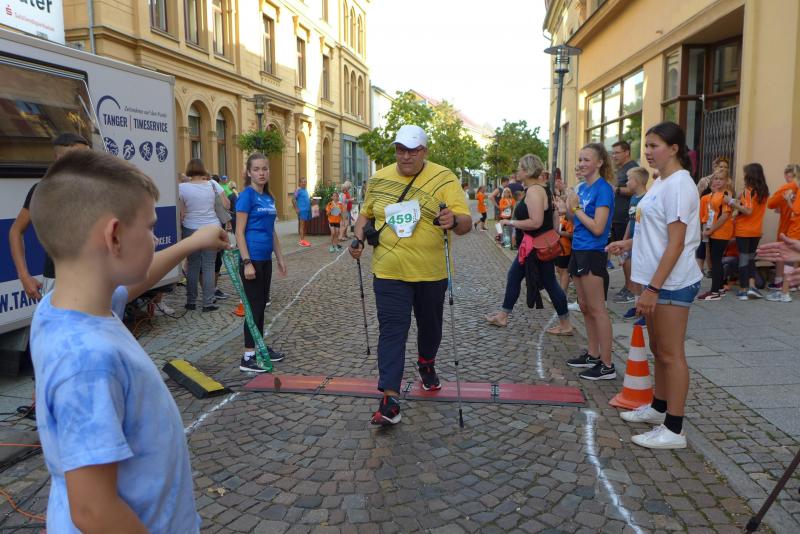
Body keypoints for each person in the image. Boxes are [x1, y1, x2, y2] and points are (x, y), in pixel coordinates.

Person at [28, 149, 230, 532]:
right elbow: (93, 510)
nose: (154, 237)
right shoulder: (88, 360)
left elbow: (132, 284)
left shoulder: (63, 306)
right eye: (151, 227)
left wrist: (191, 244)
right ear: (115, 236)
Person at [349, 124, 470, 426]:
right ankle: (390, 399)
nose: (405, 156)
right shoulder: (378, 179)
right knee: (392, 330)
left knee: (430, 328)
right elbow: (366, 214)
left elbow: (466, 223)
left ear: (424, 151)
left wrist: (453, 219)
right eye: (401, 150)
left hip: (431, 272)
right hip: (389, 271)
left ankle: (426, 362)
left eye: (412, 151)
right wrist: (358, 239)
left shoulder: (444, 178)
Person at [607, 121, 702, 449]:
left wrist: (653, 289)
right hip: (657, 282)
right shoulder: (662, 181)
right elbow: (657, 232)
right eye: (646, 145)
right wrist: (628, 244)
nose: (647, 152)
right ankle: (659, 408)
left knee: (672, 354)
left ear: (674, 149)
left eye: (654, 146)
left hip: (672, 283)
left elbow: (676, 243)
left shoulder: (679, 184)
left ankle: (674, 429)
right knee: (659, 350)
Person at [485, 154, 573, 335]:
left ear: (527, 171)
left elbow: (536, 222)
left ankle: (565, 324)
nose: (517, 171)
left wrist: (510, 222)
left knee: (548, 283)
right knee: (518, 276)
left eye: (520, 167)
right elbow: (553, 219)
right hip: (536, 244)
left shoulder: (534, 191)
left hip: (536, 247)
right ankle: (503, 315)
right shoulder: (543, 189)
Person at [9, 133, 90, 301]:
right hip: (58, 282)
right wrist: (24, 276)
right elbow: (16, 231)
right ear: (59, 159)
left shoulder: (97, 189)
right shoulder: (43, 191)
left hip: (95, 277)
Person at [564, 143, 617, 381]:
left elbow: (597, 227)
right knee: (585, 306)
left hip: (593, 252)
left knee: (597, 309)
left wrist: (575, 208)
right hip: (578, 249)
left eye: (587, 160)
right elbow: (576, 218)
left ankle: (607, 365)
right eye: (580, 159)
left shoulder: (603, 189)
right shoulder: (583, 187)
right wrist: (567, 207)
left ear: (599, 162)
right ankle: (593, 354)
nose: (581, 164)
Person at [235, 153, 287, 371]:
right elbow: (239, 232)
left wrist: (280, 258)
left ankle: (259, 346)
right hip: (252, 259)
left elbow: (271, 231)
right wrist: (247, 261)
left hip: (266, 259)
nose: (261, 173)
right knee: (253, 307)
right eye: (256, 169)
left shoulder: (268, 197)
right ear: (249, 173)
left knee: (261, 305)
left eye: (264, 168)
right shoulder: (246, 196)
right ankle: (248, 357)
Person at [179, 159, 230, 312]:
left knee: (193, 265)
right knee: (209, 265)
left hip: (190, 228)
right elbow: (227, 204)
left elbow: (181, 212)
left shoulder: (181, 187)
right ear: (203, 169)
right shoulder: (213, 184)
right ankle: (208, 302)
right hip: (211, 228)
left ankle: (191, 301)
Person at [728, 163, 769, 300]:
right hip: (756, 231)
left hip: (744, 230)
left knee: (744, 259)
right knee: (751, 259)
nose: (744, 176)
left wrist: (731, 202)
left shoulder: (748, 191)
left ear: (750, 175)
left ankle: (743, 289)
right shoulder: (763, 192)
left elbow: (748, 211)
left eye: (745, 173)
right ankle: (752, 287)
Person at [619, 167, 650, 325]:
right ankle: (638, 306)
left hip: (641, 243)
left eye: (629, 179)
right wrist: (624, 240)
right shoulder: (633, 198)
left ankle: (646, 312)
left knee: (643, 277)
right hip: (631, 242)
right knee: (635, 276)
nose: (626, 182)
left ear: (637, 181)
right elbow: (630, 221)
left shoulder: (647, 199)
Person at [765, 164, 800, 301]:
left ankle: (784, 292)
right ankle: (789, 287)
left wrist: (787, 200)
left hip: (793, 229)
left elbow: (796, 210)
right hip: (795, 229)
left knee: (788, 260)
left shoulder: (791, 187)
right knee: (793, 258)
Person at [696, 174, 734, 300]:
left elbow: (724, 216)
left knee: (716, 261)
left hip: (721, 232)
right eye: (715, 179)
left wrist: (710, 230)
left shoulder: (725, 194)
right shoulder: (713, 195)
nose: (717, 181)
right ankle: (720, 288)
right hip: (713, 232)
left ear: (726, 181)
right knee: (715, 260)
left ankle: (714, 292)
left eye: (721, 179)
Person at [610, 141, 639, 303]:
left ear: (626, 152)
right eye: (613, 153)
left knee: (626, 254)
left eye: (617, 152)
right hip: (617, 218)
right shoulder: (620, 169)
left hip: (625, 218)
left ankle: (631, 288)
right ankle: (628, 285)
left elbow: (635, 189)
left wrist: (616, 189)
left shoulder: (632, 168)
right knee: (622, 255)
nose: (614, 156)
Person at [292, 177, 312, 247]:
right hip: (302, 210)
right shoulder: (298, 190)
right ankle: (301, 241)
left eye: (305, 182)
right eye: (302, 182)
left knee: (305, 226)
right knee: (302, 225)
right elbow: (293, 199)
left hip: (307, 210)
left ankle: (303, 239)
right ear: (299, 183)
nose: (304, 183)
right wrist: (296, 209)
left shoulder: (305, 190)